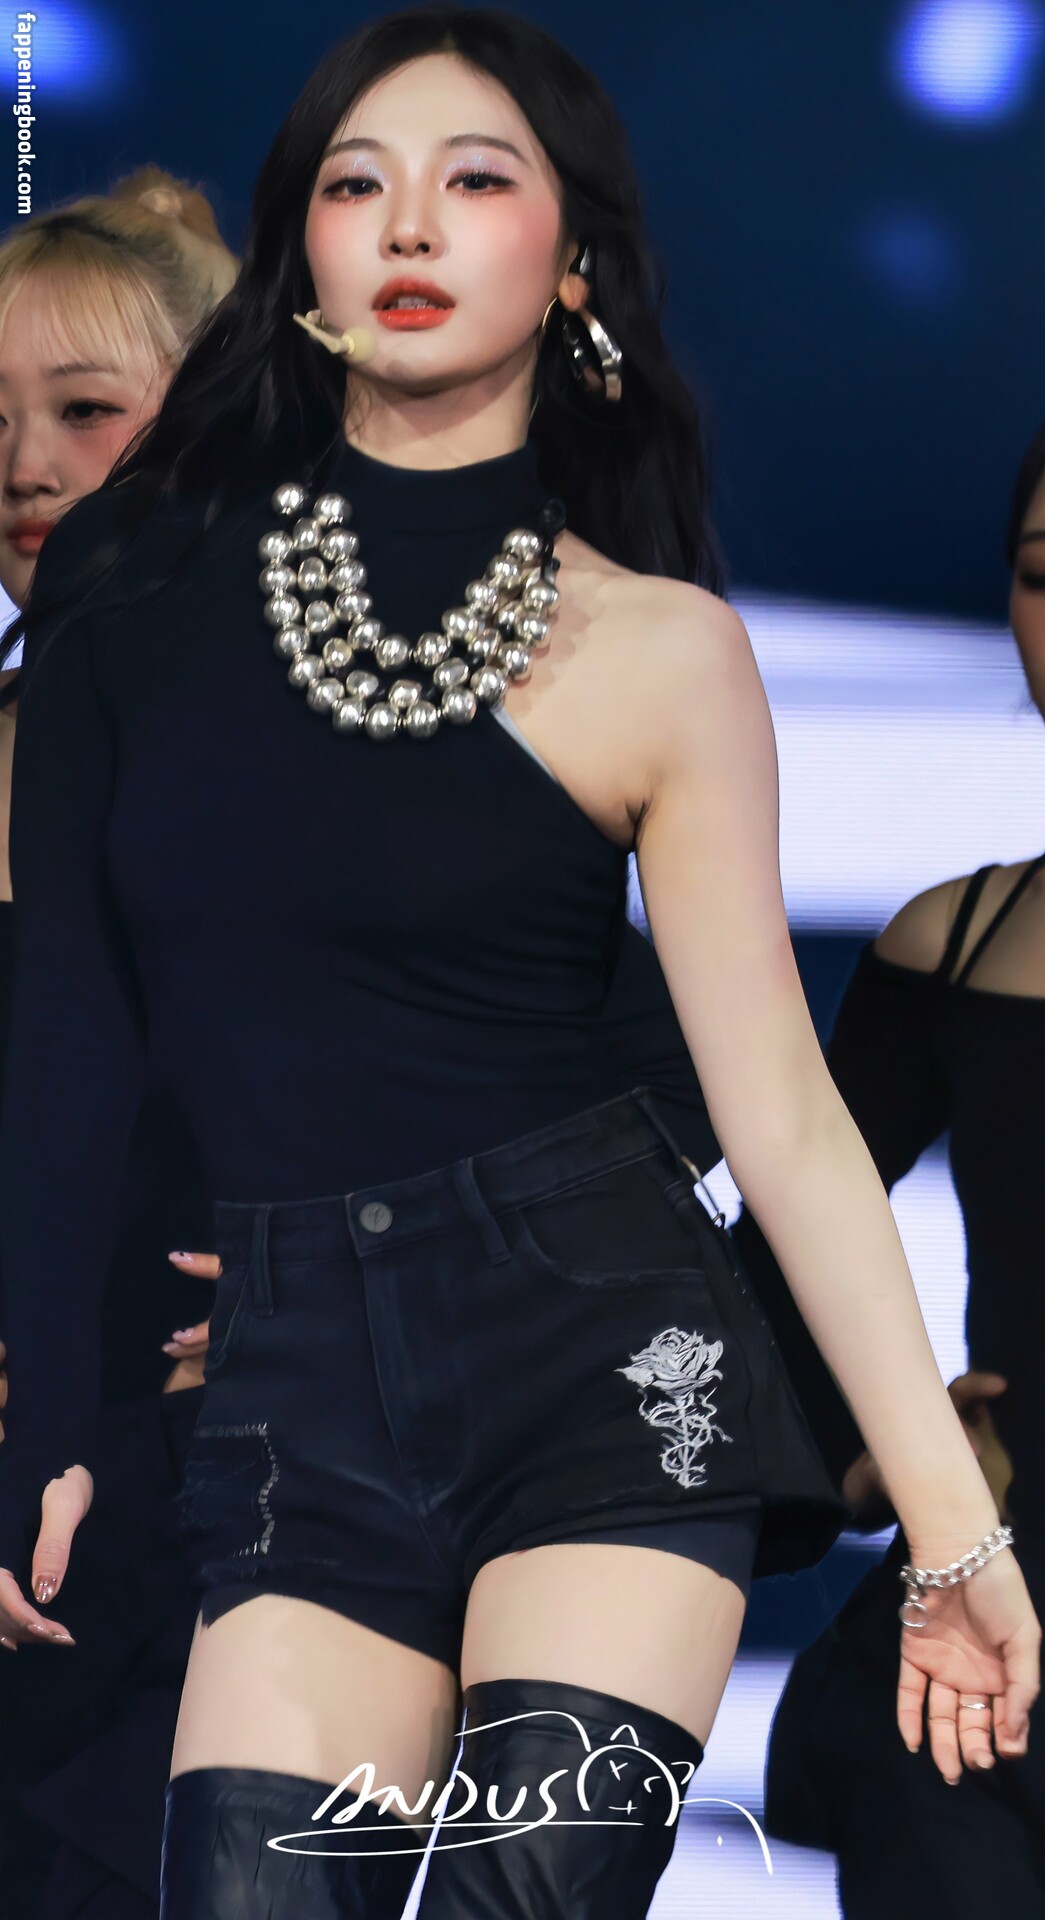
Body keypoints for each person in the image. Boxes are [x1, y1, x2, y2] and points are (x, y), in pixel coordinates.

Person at [0, 11, 1037, 1917]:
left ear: (571, 266)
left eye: (473, 179)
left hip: (607, 1385)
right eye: (356, 183)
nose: (408, 223)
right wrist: (50, 1417)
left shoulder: (660, 650)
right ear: (302, 255)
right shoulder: (132, 598)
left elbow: (784, 1118)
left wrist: (956, 1540)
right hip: (294, 1403)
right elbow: (66, 1039)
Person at [739, 420, 1045, 1919]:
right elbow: (776, 1260)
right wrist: (868, 1461)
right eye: (1043, 575)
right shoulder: (955, 945)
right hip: (989, 1652)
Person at [0, 166, 237, 1919]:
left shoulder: (332, 763)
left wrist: (343, 1275)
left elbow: (613, 1067)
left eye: (85, 411)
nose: (26, 465)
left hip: (218, 1501)